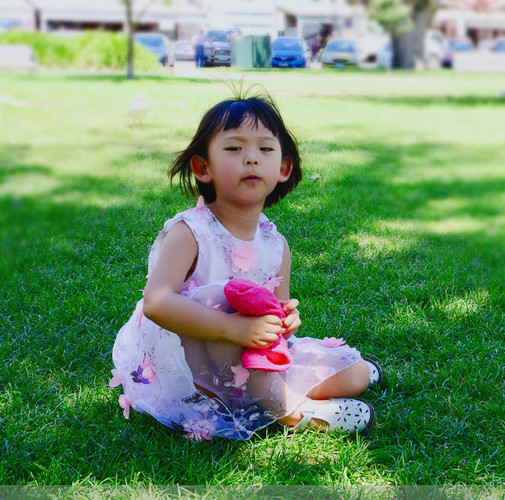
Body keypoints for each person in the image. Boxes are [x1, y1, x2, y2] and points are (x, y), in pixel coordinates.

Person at [111, 92, 381, 440]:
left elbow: (278, 316)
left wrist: (285, 319)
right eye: (234, 149)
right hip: (193, 364)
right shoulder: (189, 233)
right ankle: (299, 413)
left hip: (251, 358)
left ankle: (276, 394)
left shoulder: (274, 242)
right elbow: (157, 302)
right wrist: (230, 329)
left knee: (356, 374)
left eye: (265, 150)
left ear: (283, 168)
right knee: (223, 317)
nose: (251, 159)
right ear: (202, 168)